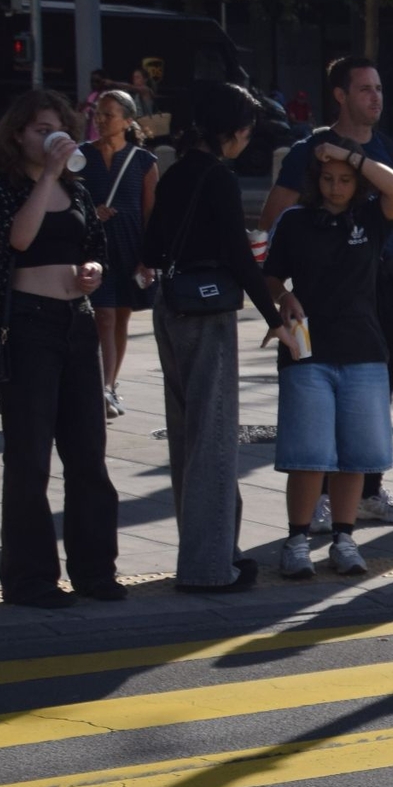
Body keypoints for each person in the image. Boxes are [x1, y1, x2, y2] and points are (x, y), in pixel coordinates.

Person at [0, 89, 120, 609]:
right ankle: (30, 579)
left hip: (77, 324)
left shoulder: (79, 189)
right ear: (17, 136)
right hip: (27, 326)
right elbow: (17, 242)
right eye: (38, 129)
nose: (50, 137)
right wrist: (47, 175)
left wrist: (94, 271)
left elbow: (96, 249)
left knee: (88, 455)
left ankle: (96, 571)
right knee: (29, 458)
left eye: (58, 127)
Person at [262, 56, 393, 529]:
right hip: (328, 288)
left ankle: (368, 492)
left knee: (375, 392)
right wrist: (283, 288)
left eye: (379, 89)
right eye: (364, 90)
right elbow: (271, 220)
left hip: (381, 284)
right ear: (340, 95)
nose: (376, 97)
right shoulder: (311, 152)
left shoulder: (392, 151)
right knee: (316, 395)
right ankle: (316, 501)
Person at [141, 83, 286, 594]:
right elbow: (238, 257)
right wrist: (275, 315)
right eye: (247, 132)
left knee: (187, 436)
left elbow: (152, 243)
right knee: (214, 438)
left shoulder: (177, 172)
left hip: (170, 305)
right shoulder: (219, 177)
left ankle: (216, 550)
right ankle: (209, 567)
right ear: (236, 131)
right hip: (206, 311)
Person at [263, 130, 393, 578]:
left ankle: (344, 540)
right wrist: (283, 297)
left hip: (364, 352)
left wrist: (349, 154)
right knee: (309, 457)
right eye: (327, 178)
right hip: (308, 353)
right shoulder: (295, 221)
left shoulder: (371, 217)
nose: (335, 187)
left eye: (344, 179)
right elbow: (268, 277)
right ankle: (296, 540)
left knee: (355, 457)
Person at [82, 89, 159, 417]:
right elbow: (67, 198)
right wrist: (90, 212)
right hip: (94, 248)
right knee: (104, 315)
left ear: (128, 121)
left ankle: (110, 385)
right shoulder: (81, 156)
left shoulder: (144, 161)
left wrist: (150, 257)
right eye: (97, 113)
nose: (100, 119)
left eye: (108, 114)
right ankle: (101, 386)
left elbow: (151, 214)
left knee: (120, 317)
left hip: (129, 246)